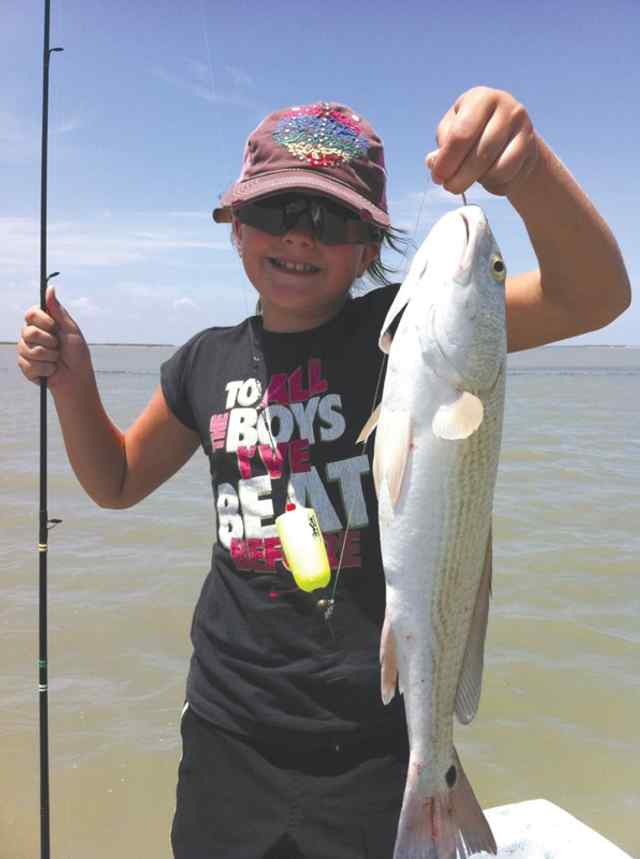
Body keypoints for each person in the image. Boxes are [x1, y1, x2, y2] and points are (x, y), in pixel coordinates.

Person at [17, 89, 630, 859]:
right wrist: (74, 384)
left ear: (371, 249)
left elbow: (594, 295)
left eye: (334, 220)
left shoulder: (403, 334)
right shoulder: (202, 362)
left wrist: (527, 167)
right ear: (235, 224)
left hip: (374, 737)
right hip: (226, 730)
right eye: (279, 210)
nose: (302, 236)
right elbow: (115, 481)